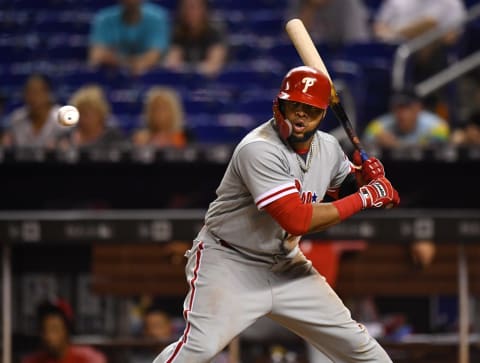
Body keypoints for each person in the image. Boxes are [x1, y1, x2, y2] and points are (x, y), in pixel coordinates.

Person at [153, 66, 399, 363]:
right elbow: (296, 219)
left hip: (285, 263)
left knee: (363, 350)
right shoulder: (258, 149)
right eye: (294, 104)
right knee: (199, 349)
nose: (300, 115)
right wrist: (366, 196)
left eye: (309, 109)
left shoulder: (329, 148)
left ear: (322, 115)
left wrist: (366, 180)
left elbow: (342, 194)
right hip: (230, 262)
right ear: (278, 105)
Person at [89, 0, 170, 75]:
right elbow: (97, 56)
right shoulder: (104, 19)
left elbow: (153, 57)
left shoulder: (158, 18)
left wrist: (115, 59)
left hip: (149, 78)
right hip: (111, 77)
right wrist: (131, 63)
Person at [22, 301, 107, 363]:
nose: (48, 336)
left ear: (66, 330)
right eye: (44, 330)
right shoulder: (32, 361)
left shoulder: (88, 358)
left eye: (54, 329)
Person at [363, 89, 449, 147]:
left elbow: (445, 144)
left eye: (406, 107)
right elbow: (364, 142)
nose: (401, 113)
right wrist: (376, 142)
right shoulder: (378, 126)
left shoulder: (436, 126)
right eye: (397, 107)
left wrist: (398, 145)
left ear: (418, 108)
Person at [164, 0, 227, 77]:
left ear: (204, 9)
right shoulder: (177, 30)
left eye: (194, 7)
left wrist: (188, 69)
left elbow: (214, 64)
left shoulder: (216, 30)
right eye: (186, 7)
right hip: (183, 82)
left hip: (212, 84)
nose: (190, 11)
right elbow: (172, 63)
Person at [1, 74, 65, 148]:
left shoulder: (62, 118)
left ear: (48, 94)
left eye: (37, 92)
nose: (33, 97)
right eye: (29, 92)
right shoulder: (16, 119)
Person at [57, 85, 124, 149]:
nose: (82, 118)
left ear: (100, 114)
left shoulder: (114, 138)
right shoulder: (66, 138)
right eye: (79, 113)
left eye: (86, 114)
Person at [288, 0, 370, 45]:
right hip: (306, 62)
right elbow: (289, 44)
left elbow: (356, 44)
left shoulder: (348, 3)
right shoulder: (299, 3)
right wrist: (311, 7)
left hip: (339, 60)